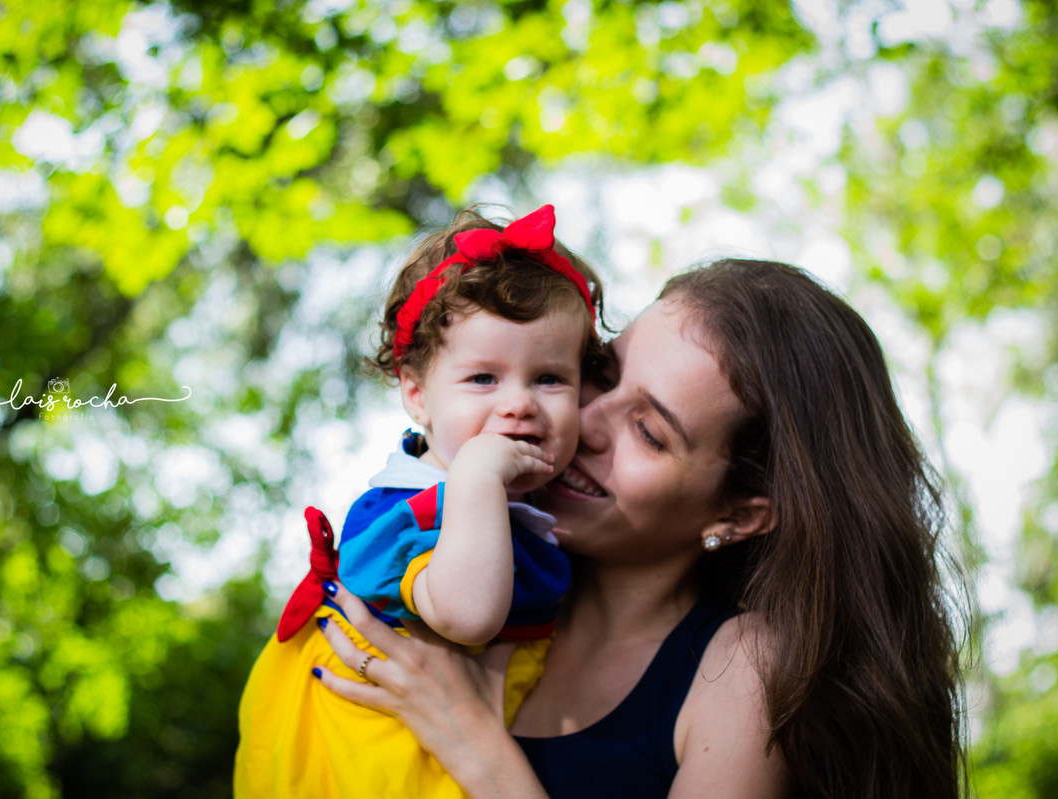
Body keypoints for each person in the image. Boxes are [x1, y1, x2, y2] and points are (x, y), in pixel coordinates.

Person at [311, 258, 967, 798]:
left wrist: (474, 744)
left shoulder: (742, 668)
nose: (586, 421)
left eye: (649, 432)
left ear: (737, 513)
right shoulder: (475, 564)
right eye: (600, 373)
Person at [233, 205, 606, 797]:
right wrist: (479, 477)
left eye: (549, 378)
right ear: (416, 394)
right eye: (483, 379)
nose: (519, 404)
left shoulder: (522, 512)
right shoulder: (414, 511)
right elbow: (467, 614)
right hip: (369, 765)